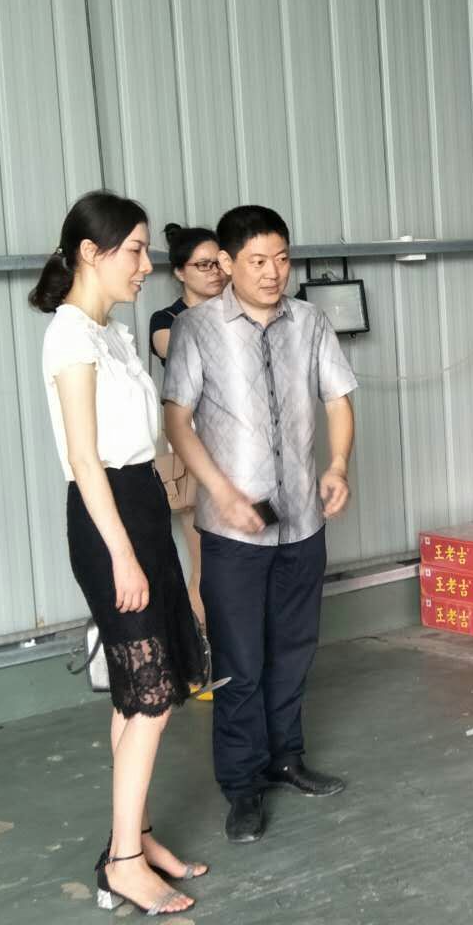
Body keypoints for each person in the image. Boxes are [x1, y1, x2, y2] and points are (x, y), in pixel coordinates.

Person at [32, 190, 208, 915]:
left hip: (141, 508)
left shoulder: (113, 333)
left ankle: (133, 837)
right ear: (90, 252)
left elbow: (136, 448)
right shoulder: (70, 336)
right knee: (153, 697)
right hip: (108, 521)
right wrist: (124, 555)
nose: (145, 266)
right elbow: (84, 458)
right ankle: (124, 865)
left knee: (138, 693)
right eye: (134, 250)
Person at [162, 204, 357, 843]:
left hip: (302, 521)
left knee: (293, 651)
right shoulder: (196, 329)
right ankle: (242, 786)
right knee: (240, 663)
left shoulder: (310, 321)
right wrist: (222, 492)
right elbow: (177, 421)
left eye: (282, 258)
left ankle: (286, 759)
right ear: (227, 263)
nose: (273, 272)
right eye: (257, 261)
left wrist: (338, 465)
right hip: (233, 533)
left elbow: (338, 398)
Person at [149, 223, 226, 645]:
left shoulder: (239, 309)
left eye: (219, 263)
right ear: (180, 272)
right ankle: (208, 657)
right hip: (195, 448)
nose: (215, 273)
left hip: (244, 450)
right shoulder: (166, 321)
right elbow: (189, 360)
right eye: (203, 265)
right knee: (206, 562)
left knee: (251, 557)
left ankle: (248, 654)